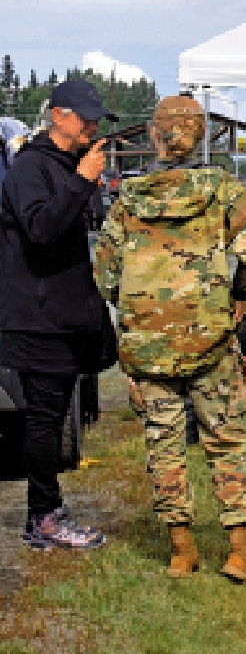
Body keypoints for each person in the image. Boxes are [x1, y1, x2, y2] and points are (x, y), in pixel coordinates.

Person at [93, 95, 246, 581]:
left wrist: (137, 308)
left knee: (164, 445)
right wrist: (240, 291)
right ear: (201, 136)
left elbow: (105, 274)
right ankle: (240, 552)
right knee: (226, 440)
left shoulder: (128, 200)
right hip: (211, 340)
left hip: (147, 342)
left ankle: (182, 550)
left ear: (154, 136)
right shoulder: (223, 190)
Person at [0, 81, 112, 550]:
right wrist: (83, 180)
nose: (92, 125)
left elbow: (84, 225)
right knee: (44, 419)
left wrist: (90, 184)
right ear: (58, 116)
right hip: (35, 316)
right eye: (84, 117)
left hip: (64, 312)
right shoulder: (30, 166)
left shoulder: (68, 164)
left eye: (95, 118)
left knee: (53, 412)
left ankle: (47, 511)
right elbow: (42, 228)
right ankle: (42, 518)